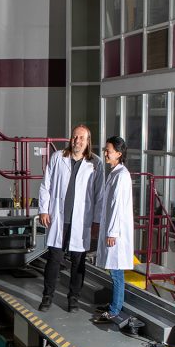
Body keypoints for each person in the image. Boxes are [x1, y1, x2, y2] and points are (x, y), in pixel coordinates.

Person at [38, 125, 104, 312]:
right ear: (71, 138)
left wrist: (97, 221)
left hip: (81, 221)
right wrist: (43, 210)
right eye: (75, 137)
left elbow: (99, 195)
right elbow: (46, 185)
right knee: (54, 259)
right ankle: (47, 297)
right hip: (59, 218)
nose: (77, 141)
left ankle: (73, 299)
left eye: (82, 138)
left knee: (78, 261)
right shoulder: (58, 157)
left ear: (88, 141)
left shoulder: (95, 163)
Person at [93, 136, 136, 331]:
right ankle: (113, 305)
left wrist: (112, 232)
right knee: (114, 271)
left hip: (117, 232)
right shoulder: (115, 173)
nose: (105, 153)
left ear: (119, 154)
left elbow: (117, 207)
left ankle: (115, 309)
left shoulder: (121, 175)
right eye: (105, 150)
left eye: (108, 151)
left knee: (117, 273)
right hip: (113, 229)